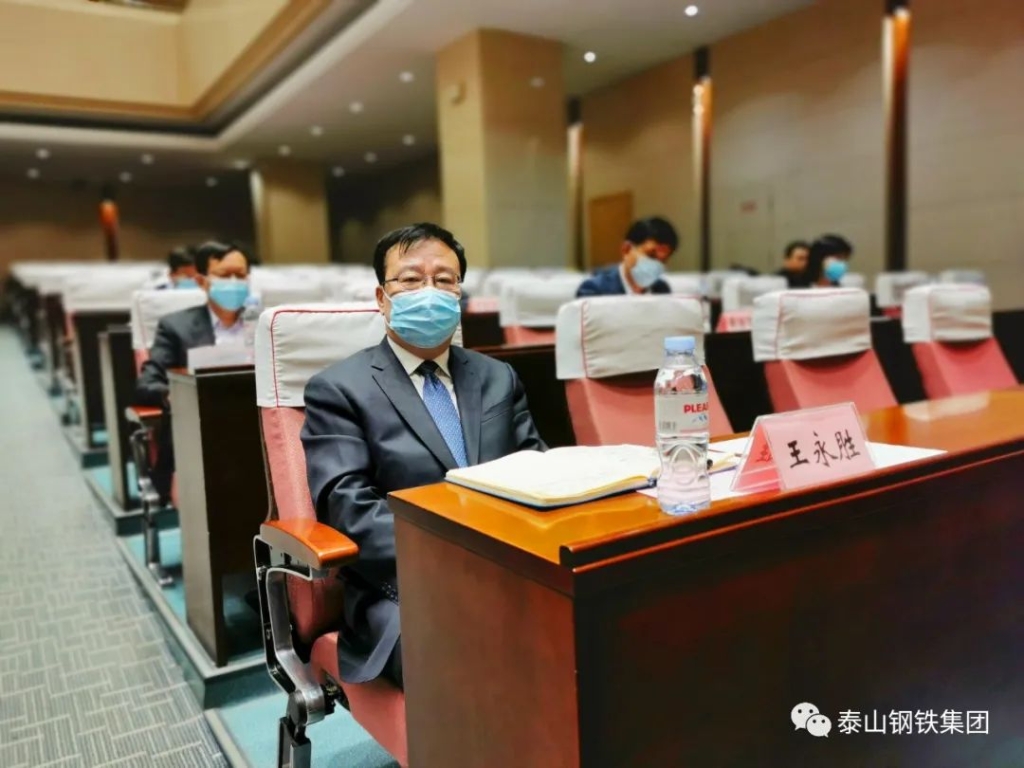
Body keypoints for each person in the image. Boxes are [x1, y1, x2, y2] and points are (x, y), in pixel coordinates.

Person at [301, 223, 545, 689]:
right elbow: (348, 508)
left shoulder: (498, 377)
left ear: (460, 295)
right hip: (405, 586)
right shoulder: (339, 389)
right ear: (382, 298)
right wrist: (460, 554)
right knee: (481, 651)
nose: (429, 291)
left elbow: (535, 467)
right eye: (411, 280)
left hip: (513, 566)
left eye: (445, 280)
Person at [133, 241, 251, 501]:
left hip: (254, 434)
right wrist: (175, 394)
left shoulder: (265, 324)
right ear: (201, 281)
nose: (234, 282)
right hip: (198, 440)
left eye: (241, 275)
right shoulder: (175, 327)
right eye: (224, 275)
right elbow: (146, 384)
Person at [576, 216, 678, 297]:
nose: (656, 265)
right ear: (626, 250)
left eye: (663, 261)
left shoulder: (662, 290)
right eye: (651, 255)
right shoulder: (594, 290)